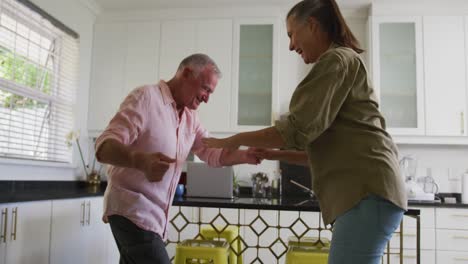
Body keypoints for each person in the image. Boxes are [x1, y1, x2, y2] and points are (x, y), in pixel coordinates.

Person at [202, 0, 407, 263]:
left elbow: (297, 127)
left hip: (367, 193)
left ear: (311, 25)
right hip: (372, 193)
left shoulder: (336, 60)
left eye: (291, 34)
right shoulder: (341, 61)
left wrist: (232, 140)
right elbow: (324, 151)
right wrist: (272, 154)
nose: (290, 45)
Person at [95, 53, 260, 264]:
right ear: (187, 73)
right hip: (132, 209)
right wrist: (140, 161)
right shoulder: (146, 98)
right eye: (205, 88)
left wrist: (246, 155)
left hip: (153, 219)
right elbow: (103, 147)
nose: (207, 98)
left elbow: (212, 152)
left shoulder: (191, 118)